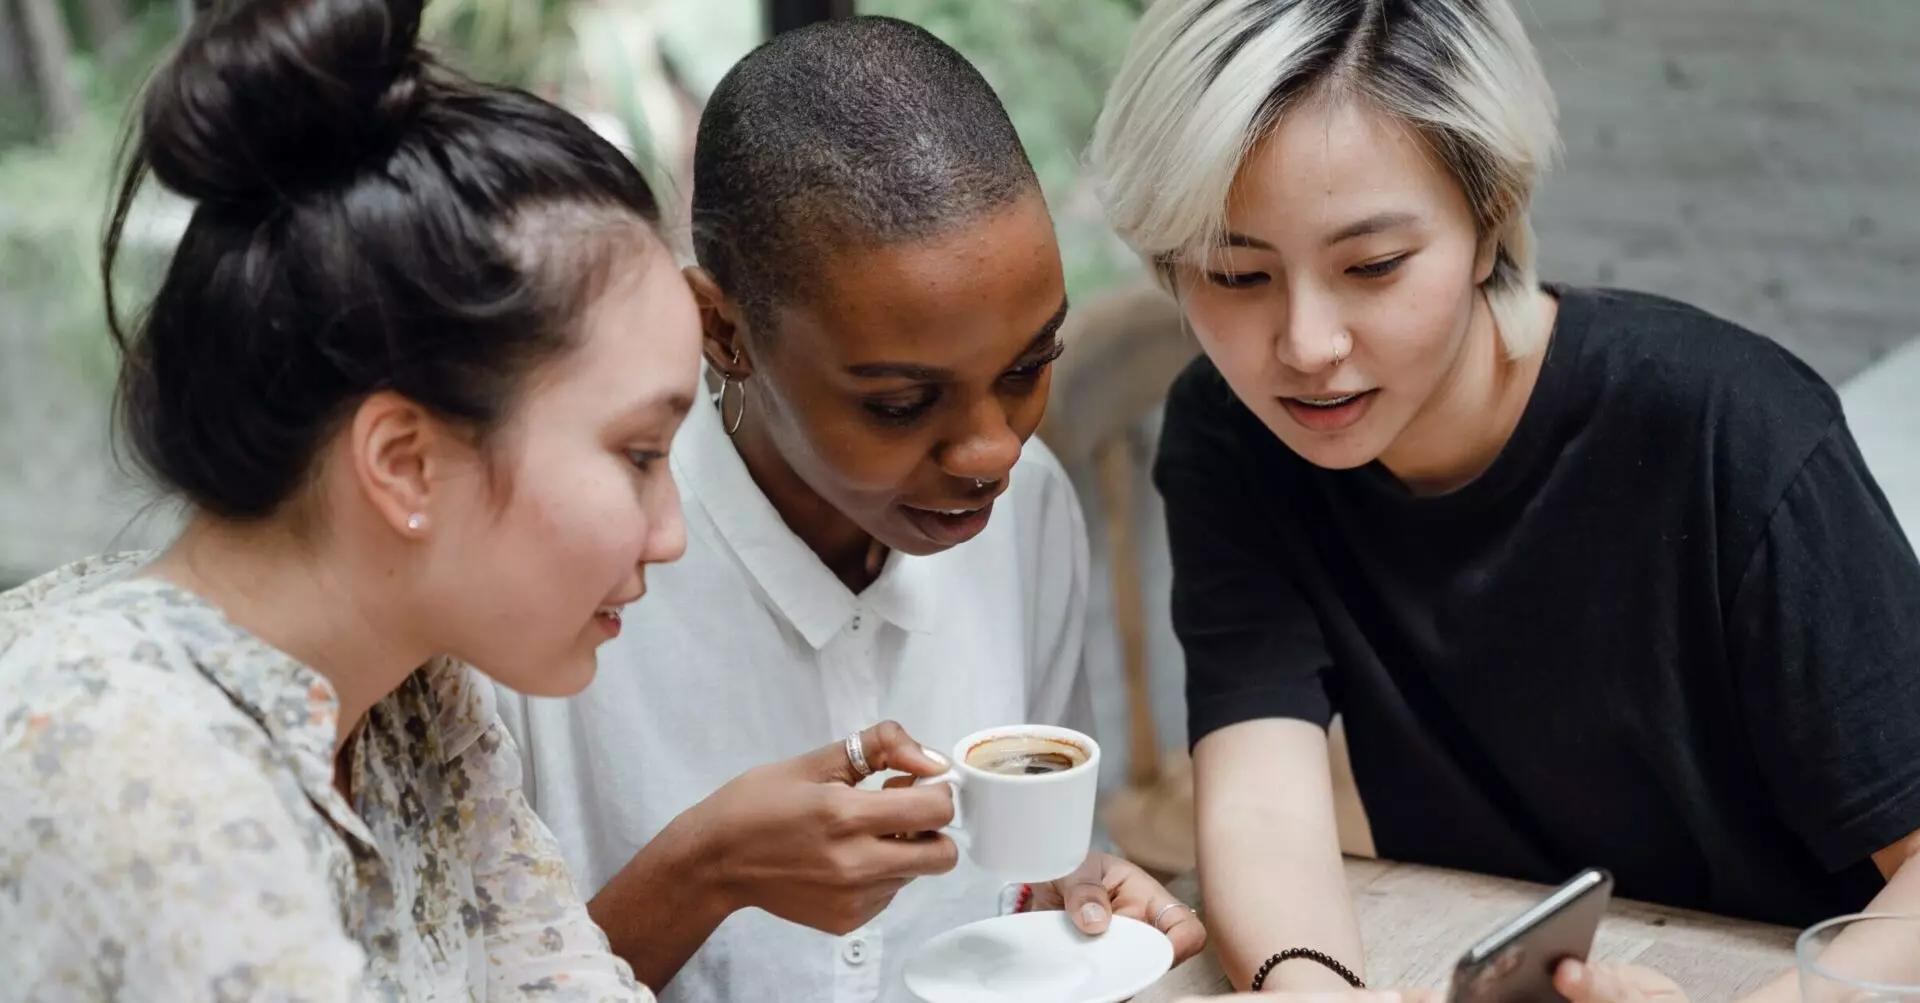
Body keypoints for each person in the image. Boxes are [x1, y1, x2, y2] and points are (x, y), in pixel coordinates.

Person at [1086, 0, 1920, 999]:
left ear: (1490, 222)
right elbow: (1262, 798)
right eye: (1235, 273)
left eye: (1375, 265)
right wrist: (1308, 985)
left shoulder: (1727, 425)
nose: (1306, 346)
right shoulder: (1234, 435)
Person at [0, 0, 706, 996]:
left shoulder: (410, 696)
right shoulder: (129, 761)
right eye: (639, 453)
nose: (671, 533)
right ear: (405, 461)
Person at [496, 17, 1206, 1003]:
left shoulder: (1031, 512)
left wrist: (1073, 899)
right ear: (720, 330)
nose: (992, 451)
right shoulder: (564, 581)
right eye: (901, 403)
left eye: (1028, 367)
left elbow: (1017, 894)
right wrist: (706, 871)